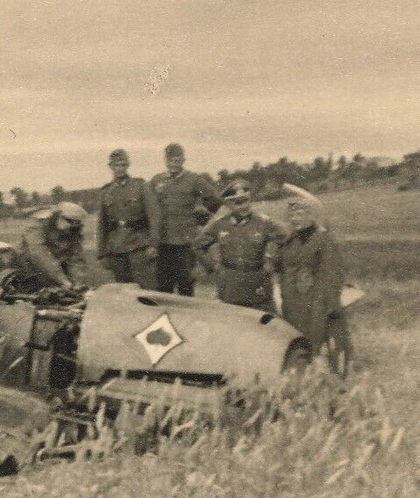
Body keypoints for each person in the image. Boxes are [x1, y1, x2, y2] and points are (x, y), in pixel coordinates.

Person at [277, 184, 352, 375]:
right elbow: (283, 269)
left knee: (322, 347)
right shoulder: (289, 241)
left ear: (311, 215)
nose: (295, 219)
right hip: (293, 305)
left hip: (317, 303)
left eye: (300, 214)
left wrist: (329, 304)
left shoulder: (323, 240)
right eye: (292, 215)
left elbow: (332, 274)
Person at [195, 179, 284, 313]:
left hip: (258, 282)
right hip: (230, 285)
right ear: (229, 204)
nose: (244, 206)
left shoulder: (263, 222)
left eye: (246, 201)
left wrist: (271, 261)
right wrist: (214, 267)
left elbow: (285, 238)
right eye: (238, 203)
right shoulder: (220, 224)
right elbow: (197, 245)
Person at [148, 143, 222, 296]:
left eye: (177, 159)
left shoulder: (194, 180)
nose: (174, 163)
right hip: (163, 242)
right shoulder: (157, 180)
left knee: (185, 286)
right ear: (165, 160)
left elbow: (215, 201)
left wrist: (204, 219)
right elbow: (149, 208)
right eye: (170, 159)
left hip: (185, 242)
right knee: (163, 288)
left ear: (183, 159)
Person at [96, 149, 160, 289]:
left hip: (139, 247)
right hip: (117, 249)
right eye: (116, 165)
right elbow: (102, 225)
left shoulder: (141, 187)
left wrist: (153, 245)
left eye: (123, 165)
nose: (120, 168)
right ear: (111, 166)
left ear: (128, 165)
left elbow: (154, 217)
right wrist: (101, 253)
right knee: (124, 291)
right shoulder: (106, 192)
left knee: (146, 289)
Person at [13, 201, 92, 292]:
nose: (73, 226)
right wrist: (62, 280)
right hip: (27, 269)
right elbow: (39, 254)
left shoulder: (73, 229)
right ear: (59, 216)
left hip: (54, 270)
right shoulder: (37, 224)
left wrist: (78, 283)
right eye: (70, 221)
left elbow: (76, 257)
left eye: (76, 223)